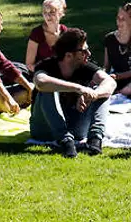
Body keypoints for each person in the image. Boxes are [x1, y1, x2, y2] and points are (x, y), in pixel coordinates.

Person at [31, 27, 116, 157]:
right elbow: (41, 82)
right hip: (44, 128)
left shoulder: (84, 66)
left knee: (103, 92)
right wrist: (79, 89)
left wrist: (92, 95)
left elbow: (110, 82)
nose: (89, 54)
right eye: (83, 51)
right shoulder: (47, 66)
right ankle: (65, 140)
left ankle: (95, 139)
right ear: (69, 55)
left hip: (74, 125)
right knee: (47, 89)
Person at [24, 0, 67, 74]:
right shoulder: (37, 33)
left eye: (52, 12)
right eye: (45, 12)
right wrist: (48, 73)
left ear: (61, 13)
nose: (48, 16)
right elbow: (29, 64)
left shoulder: (65, 32)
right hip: (41, 76)